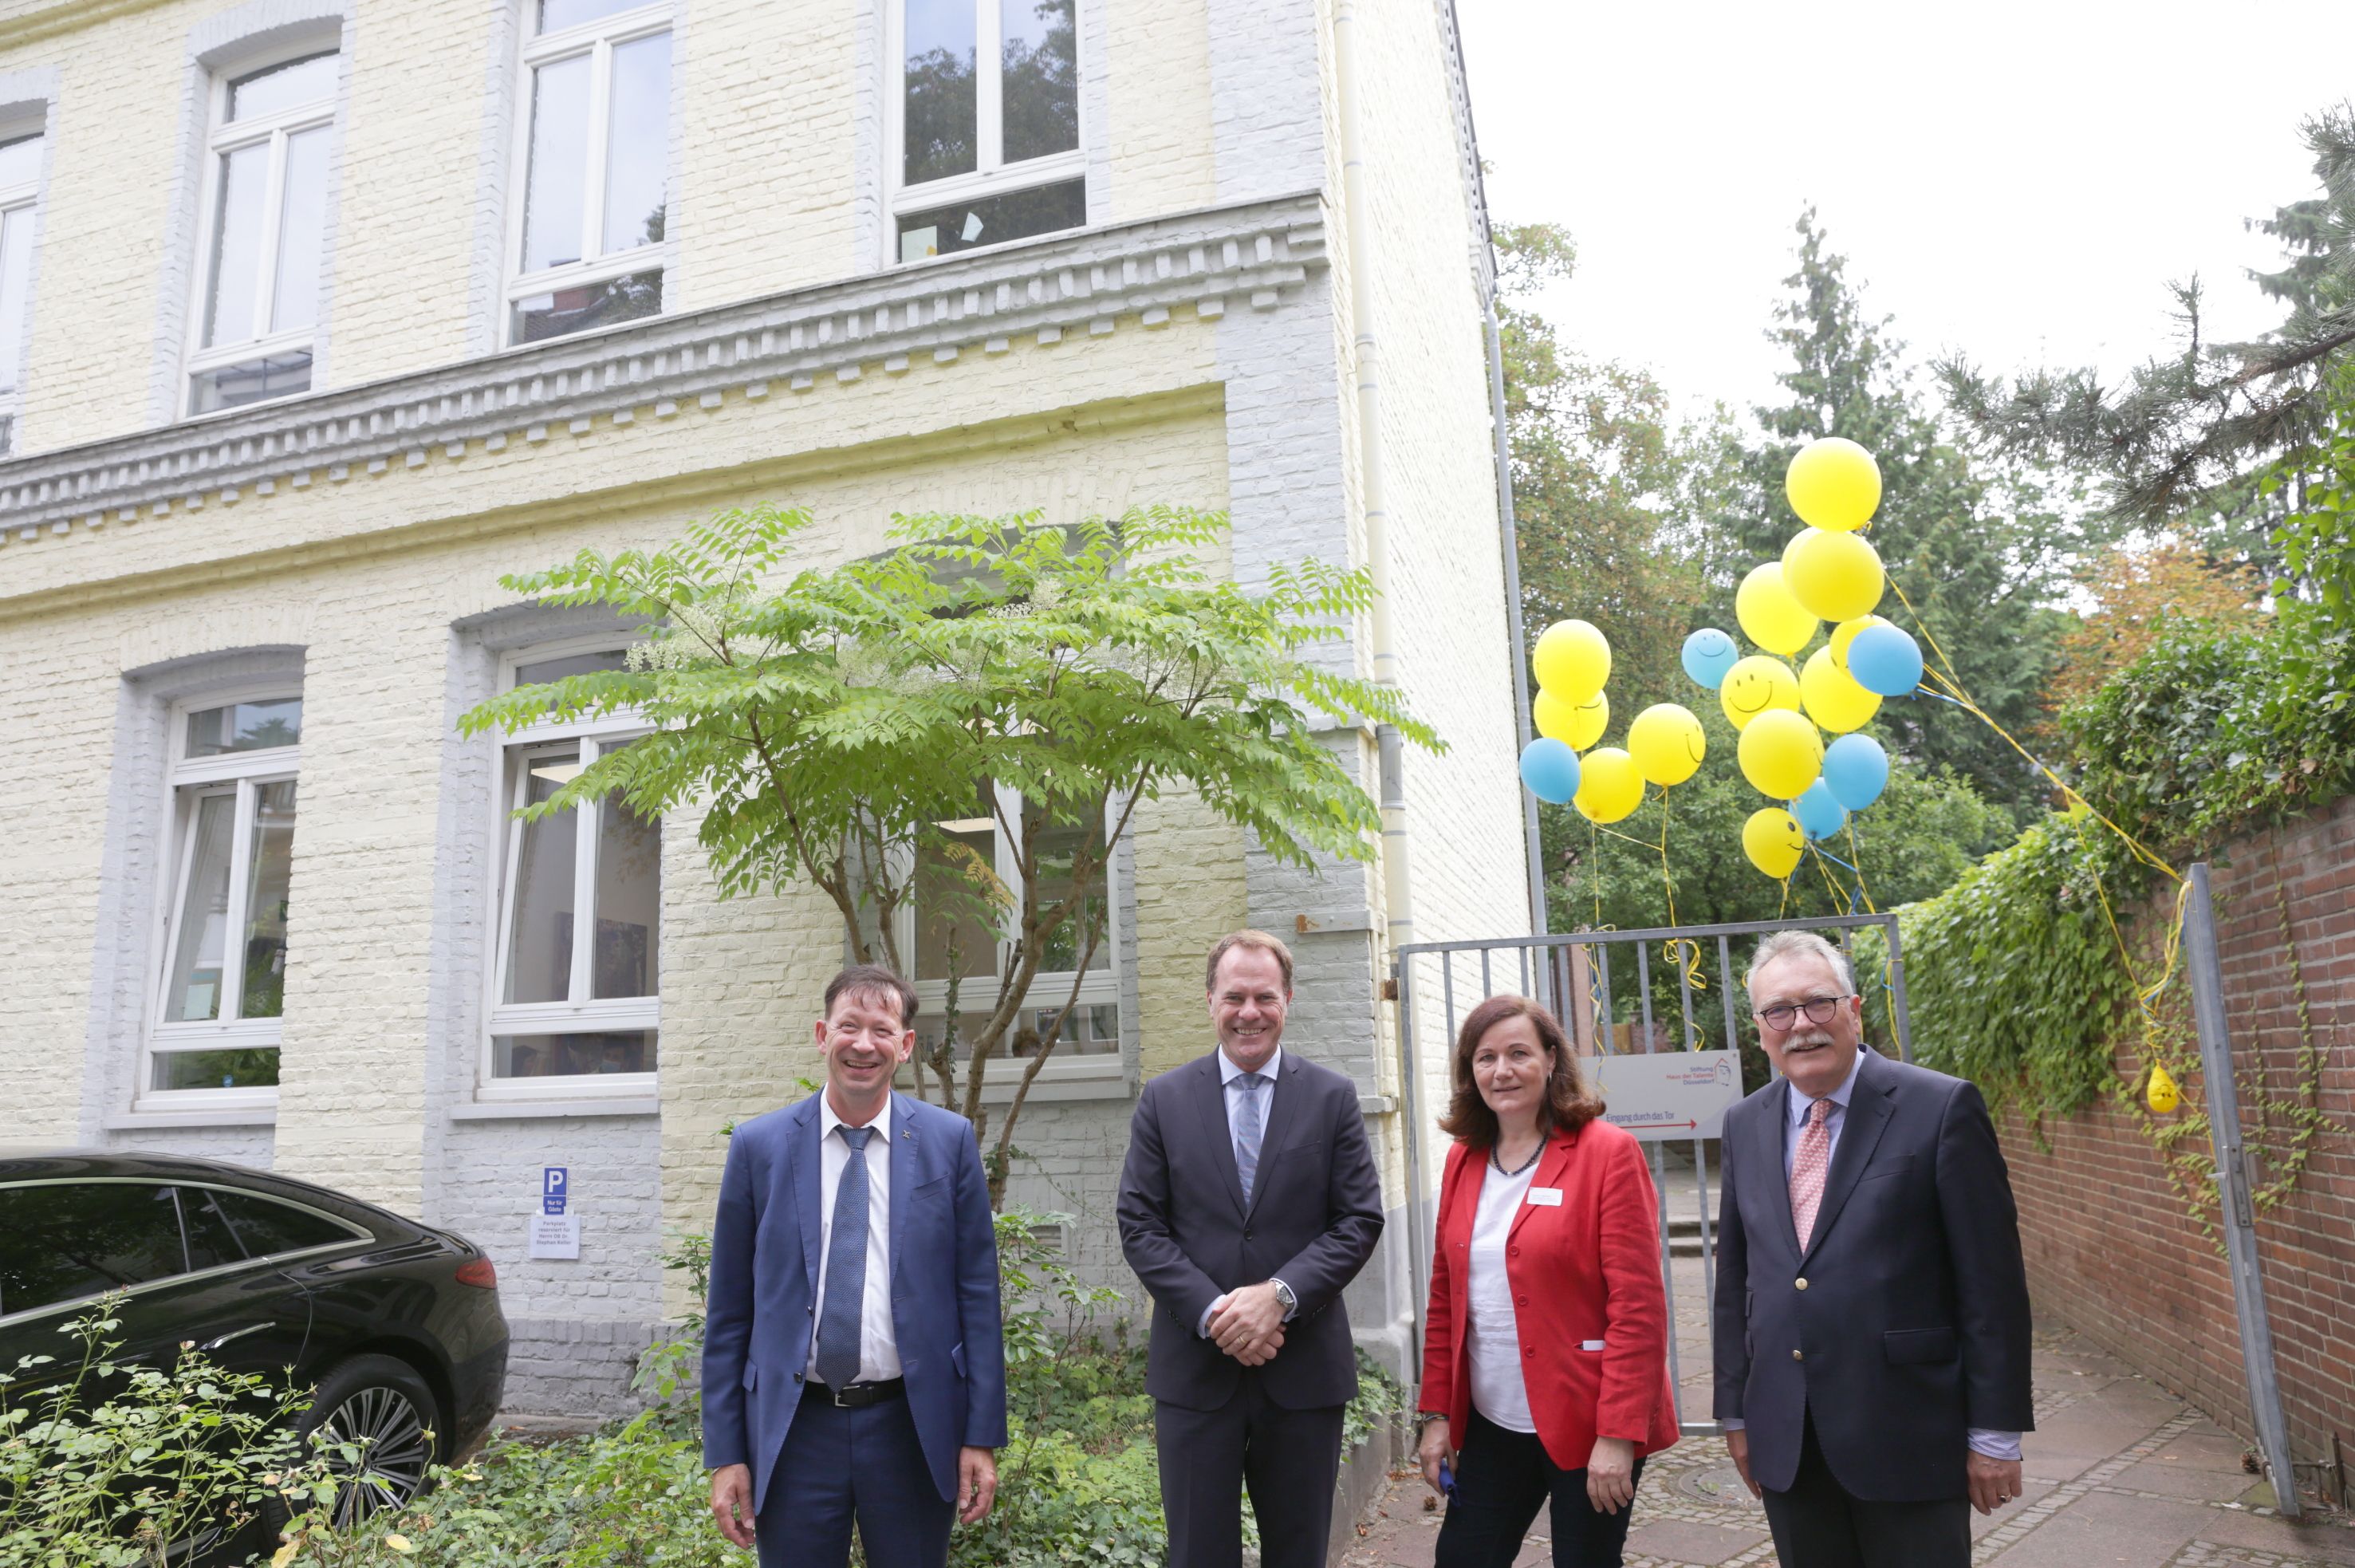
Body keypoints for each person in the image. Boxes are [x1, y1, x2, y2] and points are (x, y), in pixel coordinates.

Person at [1713, 929, 2034, 1567]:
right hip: (1788, 1437)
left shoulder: (1940, 1107)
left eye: (1817, 1004)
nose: (1799, 1025)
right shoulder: (1744, 1123)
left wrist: (1994, 1435)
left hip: (1908, 1435)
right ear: (1759, 1030)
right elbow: (1736, 1282)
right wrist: (1734, 1414)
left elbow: (1990, 1284)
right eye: (1778, 1011)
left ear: (1855, 1009)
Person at [702, 964, 1007, 1568]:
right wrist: (726, 1452)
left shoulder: (949, 1142)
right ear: (822, 1034)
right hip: (793, 1433)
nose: (863, 1045)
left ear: (905, 1044)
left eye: (880, 1029)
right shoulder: (759, 1148)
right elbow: (729, 1312)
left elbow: (977, 1295)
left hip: (911, 1429)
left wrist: (979, 1435)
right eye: (848, 1027)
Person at [1116, 929, 1385, 1568]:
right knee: (1197, 1555)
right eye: (1234, 996)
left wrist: (1279, 1297)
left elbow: (1357, 1219)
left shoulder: (1329, 1097)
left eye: (1264, 996)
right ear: (1210, 1000)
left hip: (1302, 1373)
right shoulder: (1163, 1100)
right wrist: (1217, 1314)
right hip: (1194, 1374)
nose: (1249, 1012)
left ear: (1287, 999)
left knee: (1298, 1554)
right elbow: (1139, 1224)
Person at [1414, 995, 1680, 1567]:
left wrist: (1617, 1433)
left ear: (1551, 1060)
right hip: (1492, 1420)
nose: (1501, 1071)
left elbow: (1638, 1306)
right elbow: (1445, 1299)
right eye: (1484, 1058)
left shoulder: (1607, 1153)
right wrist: (1437, 1415)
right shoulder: (1463, 1159)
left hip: (1588, 1420)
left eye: (1518, 1053)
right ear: (1470, 1072)